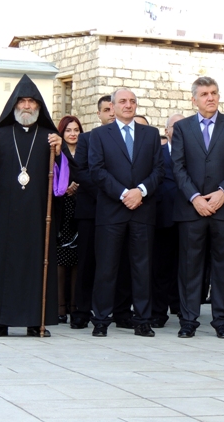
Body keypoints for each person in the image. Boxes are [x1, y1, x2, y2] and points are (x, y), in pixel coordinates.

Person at [0, 74, 68, 338]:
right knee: (1, 267)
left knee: (37, 266)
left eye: (31, 101)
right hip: (5, 215)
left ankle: (36, 321)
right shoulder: (0, 136)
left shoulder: (50, 137)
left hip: (38, 215)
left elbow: (65, 179)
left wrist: (60, 153)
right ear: (14, 105)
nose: (26, 106)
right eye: (21, 101)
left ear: (38, 106)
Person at [172, 76, 224, 338]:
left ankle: (222, 322)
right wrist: (194, 197)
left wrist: (223, 192)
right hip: (192, 210)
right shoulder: (182, 128)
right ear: (194, 99)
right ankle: (188, 321)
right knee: (190, 267)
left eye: (214, 92)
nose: (211, 98)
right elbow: (178, 166)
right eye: (204, 94)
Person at [89, 88, 163, 337]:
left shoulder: (151, 134)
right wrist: (124, 193)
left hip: (142, 211)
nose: (128, 105)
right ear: (112, 106)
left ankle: (142, 320)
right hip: (111, 211)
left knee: (142, 268)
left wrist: (140, 191)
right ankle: (101, 320)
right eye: (122, 101)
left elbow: (158, 170)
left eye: (132, 101)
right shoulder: (99, 135)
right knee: (107, 268)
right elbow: (97, 170)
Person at [70, 95, 132, 329]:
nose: (112, 113)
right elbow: (81, 171)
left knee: (122, 261)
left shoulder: (130, 139)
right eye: (107, 110)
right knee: (88, 262)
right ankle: (83, 310)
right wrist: (110, 192)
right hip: (93, 209)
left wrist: (122, 195)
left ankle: (122, 311)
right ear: (99, 114)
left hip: (122, 210)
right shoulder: (88, 138)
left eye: (112, 108)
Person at [151, 113, 184, 328]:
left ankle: (183, 309)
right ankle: (158, 313)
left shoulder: (195, 154)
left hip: (188, 218)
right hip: (162, 217)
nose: (179, 130)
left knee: (185, 268)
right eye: (175, 126)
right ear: (167, 131)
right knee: (161, 268)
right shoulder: (158, 153)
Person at [55, 115, 82, 324]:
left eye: (76, 130)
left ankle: (75, 304)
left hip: (81, 207)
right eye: (68, 130)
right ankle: (60, 306)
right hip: (61, 208)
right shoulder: (57, 153)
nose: (72, 134)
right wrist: (64, 187)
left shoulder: (87, 151)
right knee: (61, 258)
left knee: (77, 259)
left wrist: (78, 186)